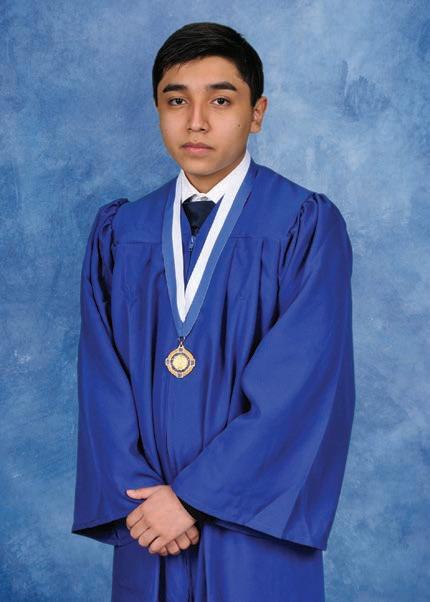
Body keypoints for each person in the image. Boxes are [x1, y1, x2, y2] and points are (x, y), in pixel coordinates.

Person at [71, 21, 356, 602]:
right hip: (148, 523)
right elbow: (101, 380)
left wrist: (191, 498)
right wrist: (144, 497)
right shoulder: (122, 232)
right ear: (158, 110)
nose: (196, 121)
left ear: (257, 113)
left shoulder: (302, 225)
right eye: (177, 101)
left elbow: (303, 388)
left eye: (221, 101)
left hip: (251, 524)